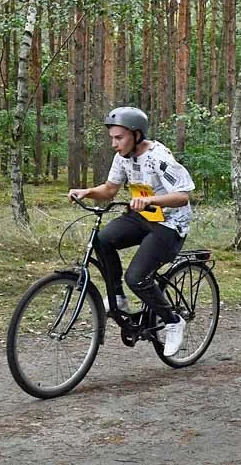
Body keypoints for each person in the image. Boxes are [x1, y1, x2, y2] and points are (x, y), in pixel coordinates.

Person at [68, 106, 195, 356]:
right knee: (103, 240)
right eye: (112, 138)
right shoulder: (123, 157)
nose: (114, 144)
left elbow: (183, 196)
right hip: (143, 217)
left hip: (170, 224)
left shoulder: (159, 157)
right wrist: (86, 192)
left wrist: (151, 201)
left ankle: (172, 321)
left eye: (119, 138)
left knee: (136, 277)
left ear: (136, 135)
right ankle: (118, 298)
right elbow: (109, 190)